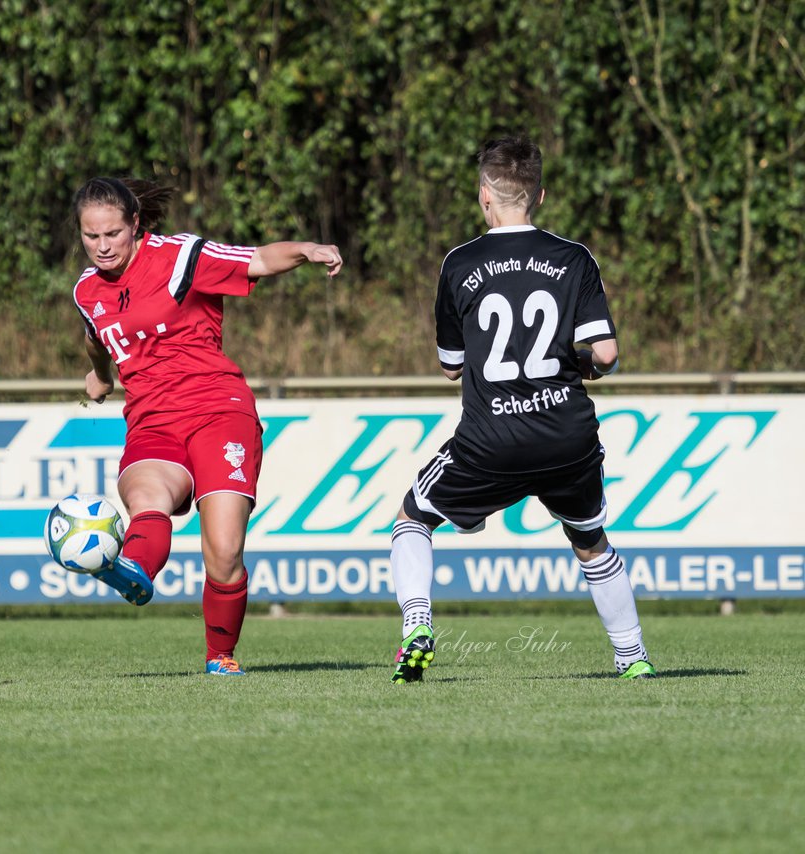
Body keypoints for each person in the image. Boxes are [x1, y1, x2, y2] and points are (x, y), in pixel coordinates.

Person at [389, 138, 656, 683]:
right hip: (567, 434)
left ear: (485, 194)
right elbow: (605, 353)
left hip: (492, 440)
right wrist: (586, 370)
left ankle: (417, 625)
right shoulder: (573, 257)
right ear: (540, 194)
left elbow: (450, 366)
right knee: (589, 541)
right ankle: (633, 659)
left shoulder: (459, 263)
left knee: (413, 519)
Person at [69, 176, 342, 676]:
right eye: (91, 237)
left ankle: (220, 656)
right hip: (151, 421)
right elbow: (96, 337)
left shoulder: (179, 257)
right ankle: (132, 571)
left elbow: (256, 260)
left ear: (134, 224)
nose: (103, 247)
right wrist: (101, 376)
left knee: (223, 552)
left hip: (219, 410)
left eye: (112, 234)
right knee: (147, 497)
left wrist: (306, 249)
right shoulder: (87, 290)